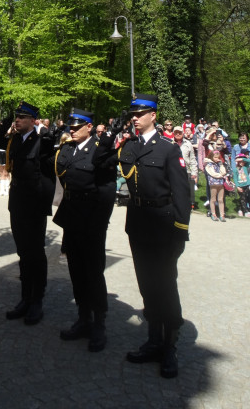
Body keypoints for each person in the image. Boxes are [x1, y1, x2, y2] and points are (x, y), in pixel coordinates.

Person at [118, 93, 191, 379]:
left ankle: (169, 346)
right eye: (132, 114)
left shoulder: (168, 149)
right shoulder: (130, 146)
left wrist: (180, 231)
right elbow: (118, 165)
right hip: (138, 223)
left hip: (162, 225)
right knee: (147, 284)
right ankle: (153, 340)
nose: (134, 118)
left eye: (140, 114)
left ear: (153, 116)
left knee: (165, 286)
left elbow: (182, 193)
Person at [53, 109, 118, 351]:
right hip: (72, 217)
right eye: (70, 125)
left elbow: (109, 190)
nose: (72, 129)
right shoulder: (68, 149)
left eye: (77, 126)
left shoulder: (100, 150)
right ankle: (83, 318)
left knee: (93, 271)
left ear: (89, 127)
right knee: (76, 270)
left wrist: (99, 221)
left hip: (92, 220)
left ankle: (99, 323)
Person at [5, 101, 55, 326]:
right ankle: (25, 297)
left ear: (33, 121)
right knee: (23, 253)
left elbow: (48, 176)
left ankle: (37, 300)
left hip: (34, 206)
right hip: (17, 205)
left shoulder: (42, 142)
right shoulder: (16, 139)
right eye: (16, 117)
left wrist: (43, 205)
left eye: (22, 117)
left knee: (35, 253)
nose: (17, 120)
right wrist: (6, 126)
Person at [173, 126, 198, 209]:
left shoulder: (188, 144)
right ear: (173, 133)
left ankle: (187, 206)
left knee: (186, 190)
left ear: (183, 133)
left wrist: (194, 172)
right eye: (176, 132)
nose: (178, 134)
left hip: (186, 170)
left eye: (179, 132)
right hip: (173, 170)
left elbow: (192, 159)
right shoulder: (170, 143)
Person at [204, 149, 228, 222]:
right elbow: (212, 173)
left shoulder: (219, 164)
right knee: (213, 199)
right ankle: (213, 213)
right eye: (215, 157)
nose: (217, 159)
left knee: (220, 199)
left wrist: (221, 165)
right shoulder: (208, 165)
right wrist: (220, 175)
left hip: (220, 183)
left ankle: (222, 214)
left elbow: (224, 172)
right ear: (211, 157)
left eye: (218, 157)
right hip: (213, 183)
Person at [232, 152, 250, 217]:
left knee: (244, 197)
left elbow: (249, 161)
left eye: (243, 161)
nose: (242, 162)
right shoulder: (235, 170)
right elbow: (235, 179)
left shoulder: (245, 167)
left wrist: (243, 159)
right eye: (241, 162)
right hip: (240, 186)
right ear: (237, 162)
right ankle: (246, 211)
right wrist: (238, 187)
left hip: (247, 185)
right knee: (242, 198)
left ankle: (240, 209)